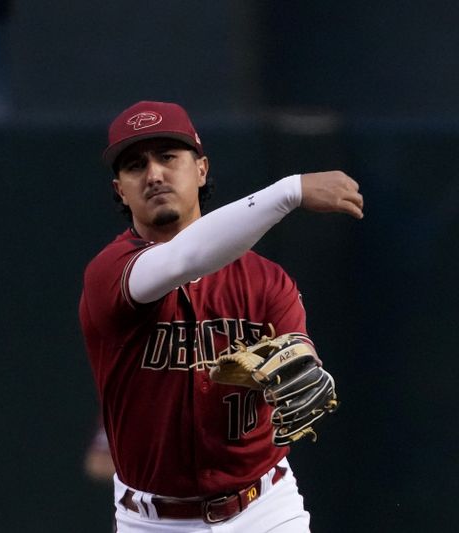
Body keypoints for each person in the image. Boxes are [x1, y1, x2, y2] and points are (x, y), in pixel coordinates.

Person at [78, 101, 363, 532]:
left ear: (202, 170)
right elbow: (183, 259)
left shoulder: (266, 282)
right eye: (136, 166)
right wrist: (290, 191)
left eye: (168, 157)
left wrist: (297, 369)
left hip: (265, 508)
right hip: (154, 522)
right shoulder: (110, 272)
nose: (154, 174)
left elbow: (301, 367)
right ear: (120, 190)